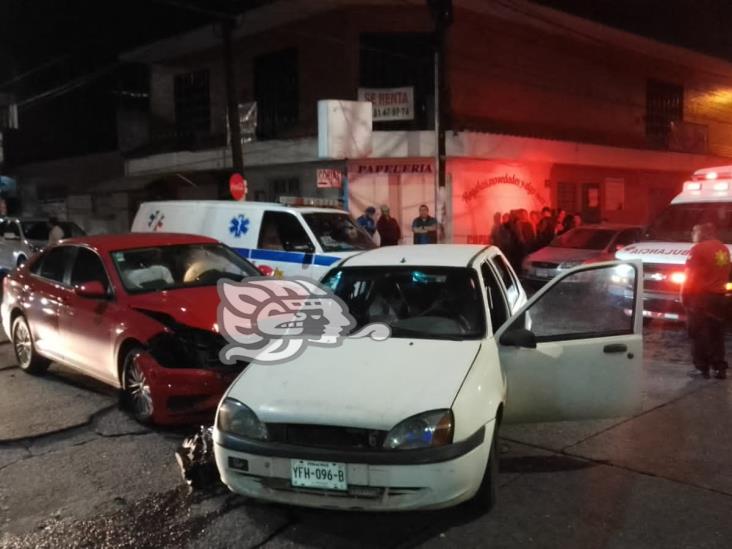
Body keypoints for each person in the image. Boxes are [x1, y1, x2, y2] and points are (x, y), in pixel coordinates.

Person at [681, 222, 731, 380]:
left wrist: (684, 295)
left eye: (694, 233)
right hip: (720, 297)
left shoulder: (698, 249)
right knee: (717, 333)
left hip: (701, 297)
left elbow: (690, 276)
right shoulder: (723, 248)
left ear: (701, 234)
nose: (692, 236)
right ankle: (719, 368)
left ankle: (701, 368)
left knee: (698, 333)